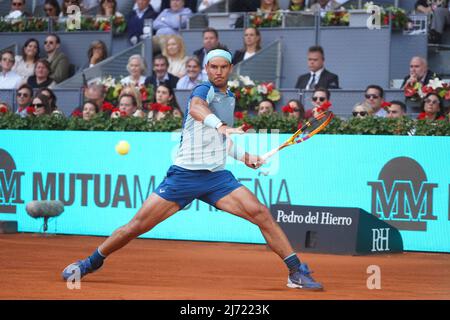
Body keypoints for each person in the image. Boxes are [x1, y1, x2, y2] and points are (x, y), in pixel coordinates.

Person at [61, 47, 323, 291]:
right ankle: (90, 262)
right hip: (184, 177)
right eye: (213, 67)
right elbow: (198, 109)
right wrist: (219, 125)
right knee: (136, 227)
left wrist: (244, 156)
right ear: (207, 69)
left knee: (261, 213)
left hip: (217, 178)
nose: (218, 72)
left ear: (230, 69)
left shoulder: (229, 97)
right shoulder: (202, 90)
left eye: (223, 67)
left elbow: (220, 140)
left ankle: (295, 271)